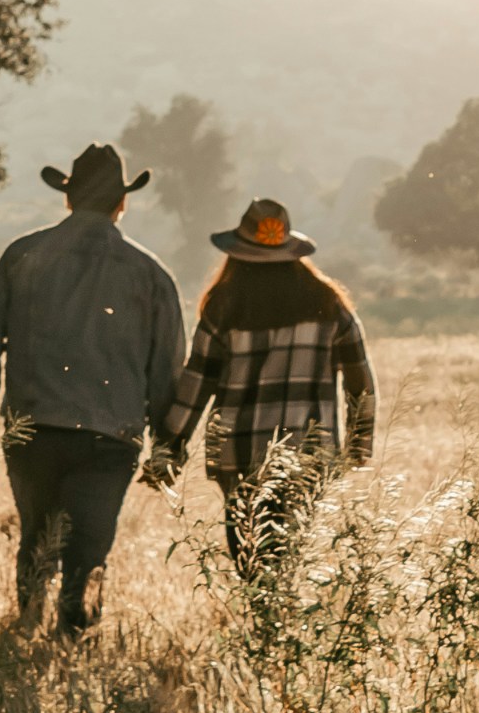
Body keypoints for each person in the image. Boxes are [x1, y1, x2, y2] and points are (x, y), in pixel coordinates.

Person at [0, 141, 186, 634]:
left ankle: (26, 629)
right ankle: (71, 646)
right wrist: (169, 447)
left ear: (67, 197)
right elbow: (167, 371)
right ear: (121, 202)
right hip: (110, 437)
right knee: (90, 551)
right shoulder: (150, 274)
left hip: (33, 429)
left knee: (36, 541)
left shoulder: (22, 256)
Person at [155, 196, 376, 588]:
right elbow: (360, 380)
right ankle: (282, 631)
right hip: (308, 457)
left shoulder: (224, 305)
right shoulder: (328, 302)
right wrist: (358, 446)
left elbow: (197, 382)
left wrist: (169, 447)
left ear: (237, 255)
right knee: (291, 556)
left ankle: (264, 628)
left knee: (251, 556)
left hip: (240, 456)